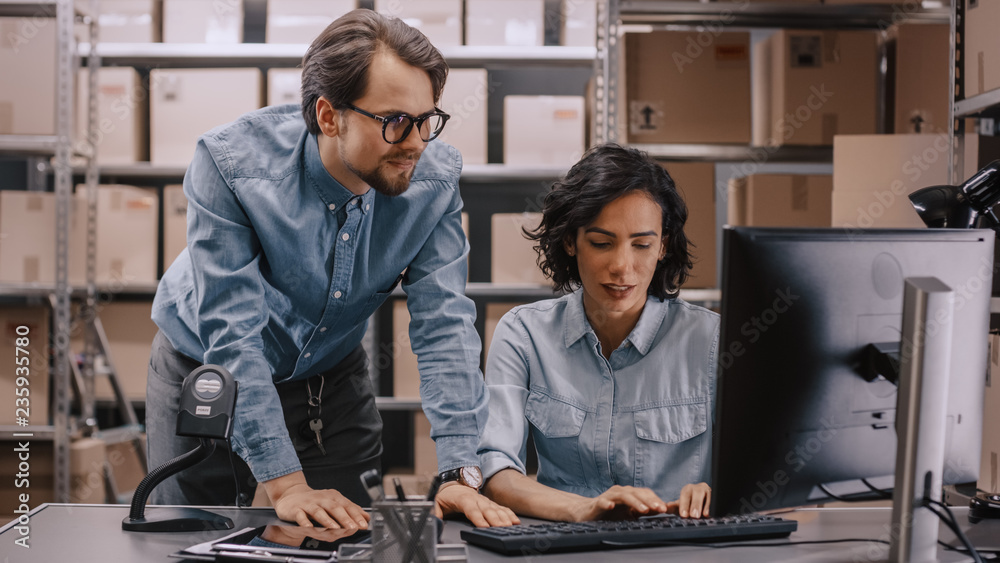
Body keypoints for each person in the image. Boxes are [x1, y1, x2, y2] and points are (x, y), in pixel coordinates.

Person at [146, 9, 517, 530]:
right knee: (190, 535)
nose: (415, 143)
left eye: (427, 119)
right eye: (395, 122)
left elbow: (445, 327)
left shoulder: (433, 182)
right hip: (207, 370)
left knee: (349, 536)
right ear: (328, 115)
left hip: (329, 378)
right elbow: (231, 335)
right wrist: (286, 483)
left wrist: (460, 469)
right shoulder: (232, 165)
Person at [477, 144, 719, 521]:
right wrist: (584, 508)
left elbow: (761, 469)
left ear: (663, 247)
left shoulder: (712, 342)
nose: (623, 267)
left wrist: (719, 489)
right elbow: (497, 473)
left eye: (642, 244)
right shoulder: (523, 334)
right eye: (602, 243)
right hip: (564, 546)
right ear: (571, 241)